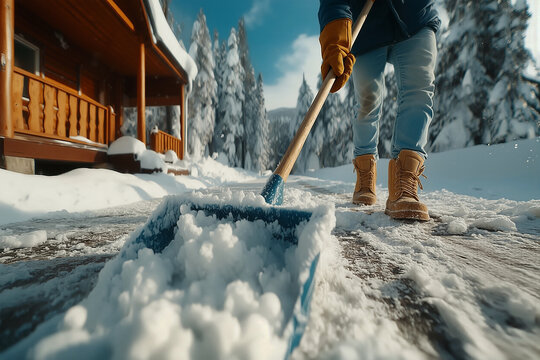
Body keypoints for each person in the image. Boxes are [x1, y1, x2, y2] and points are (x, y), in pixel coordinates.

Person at [318, 0, 440, 221]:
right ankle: (366, 176)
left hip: (414, 17)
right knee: (367, 102)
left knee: (419, 90)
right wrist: (335, 37)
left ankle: (404, 183)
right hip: (367, 31)